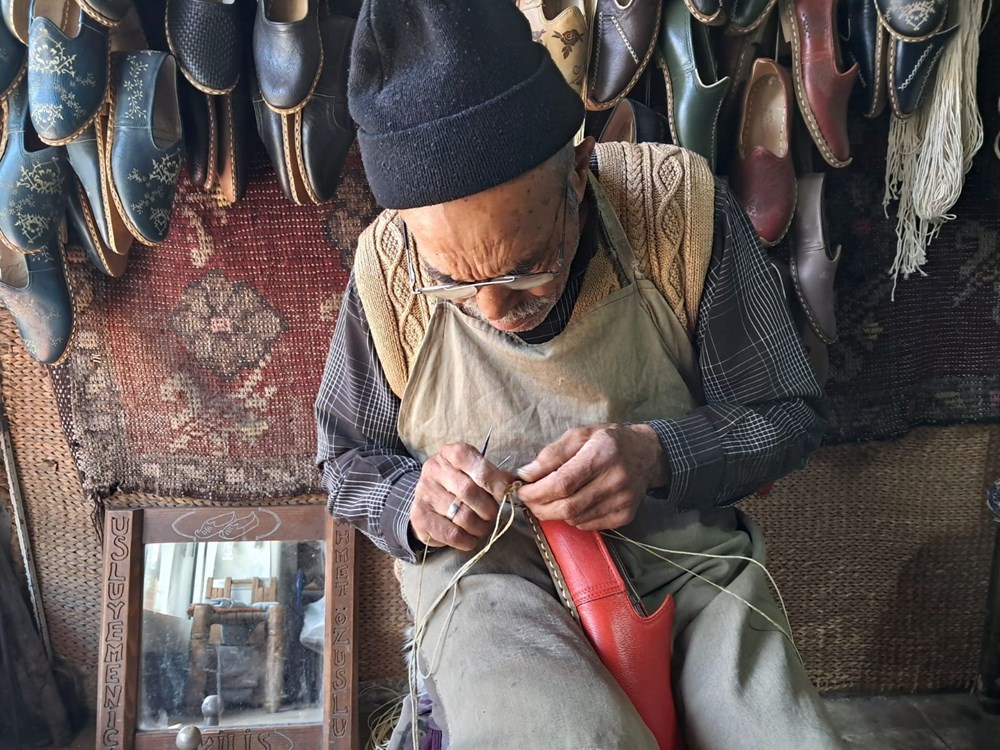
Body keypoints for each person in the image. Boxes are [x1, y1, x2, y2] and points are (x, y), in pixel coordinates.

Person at [315, 1, 844, 748]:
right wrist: (412, 497)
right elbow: (343, 464)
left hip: (682, 566)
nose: (496, 309)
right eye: (456, 284)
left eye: (527, 266)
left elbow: (791, 415)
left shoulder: (678, 209)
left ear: (580, 168)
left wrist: (659, 454)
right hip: (489, 585)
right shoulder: (386, 271)